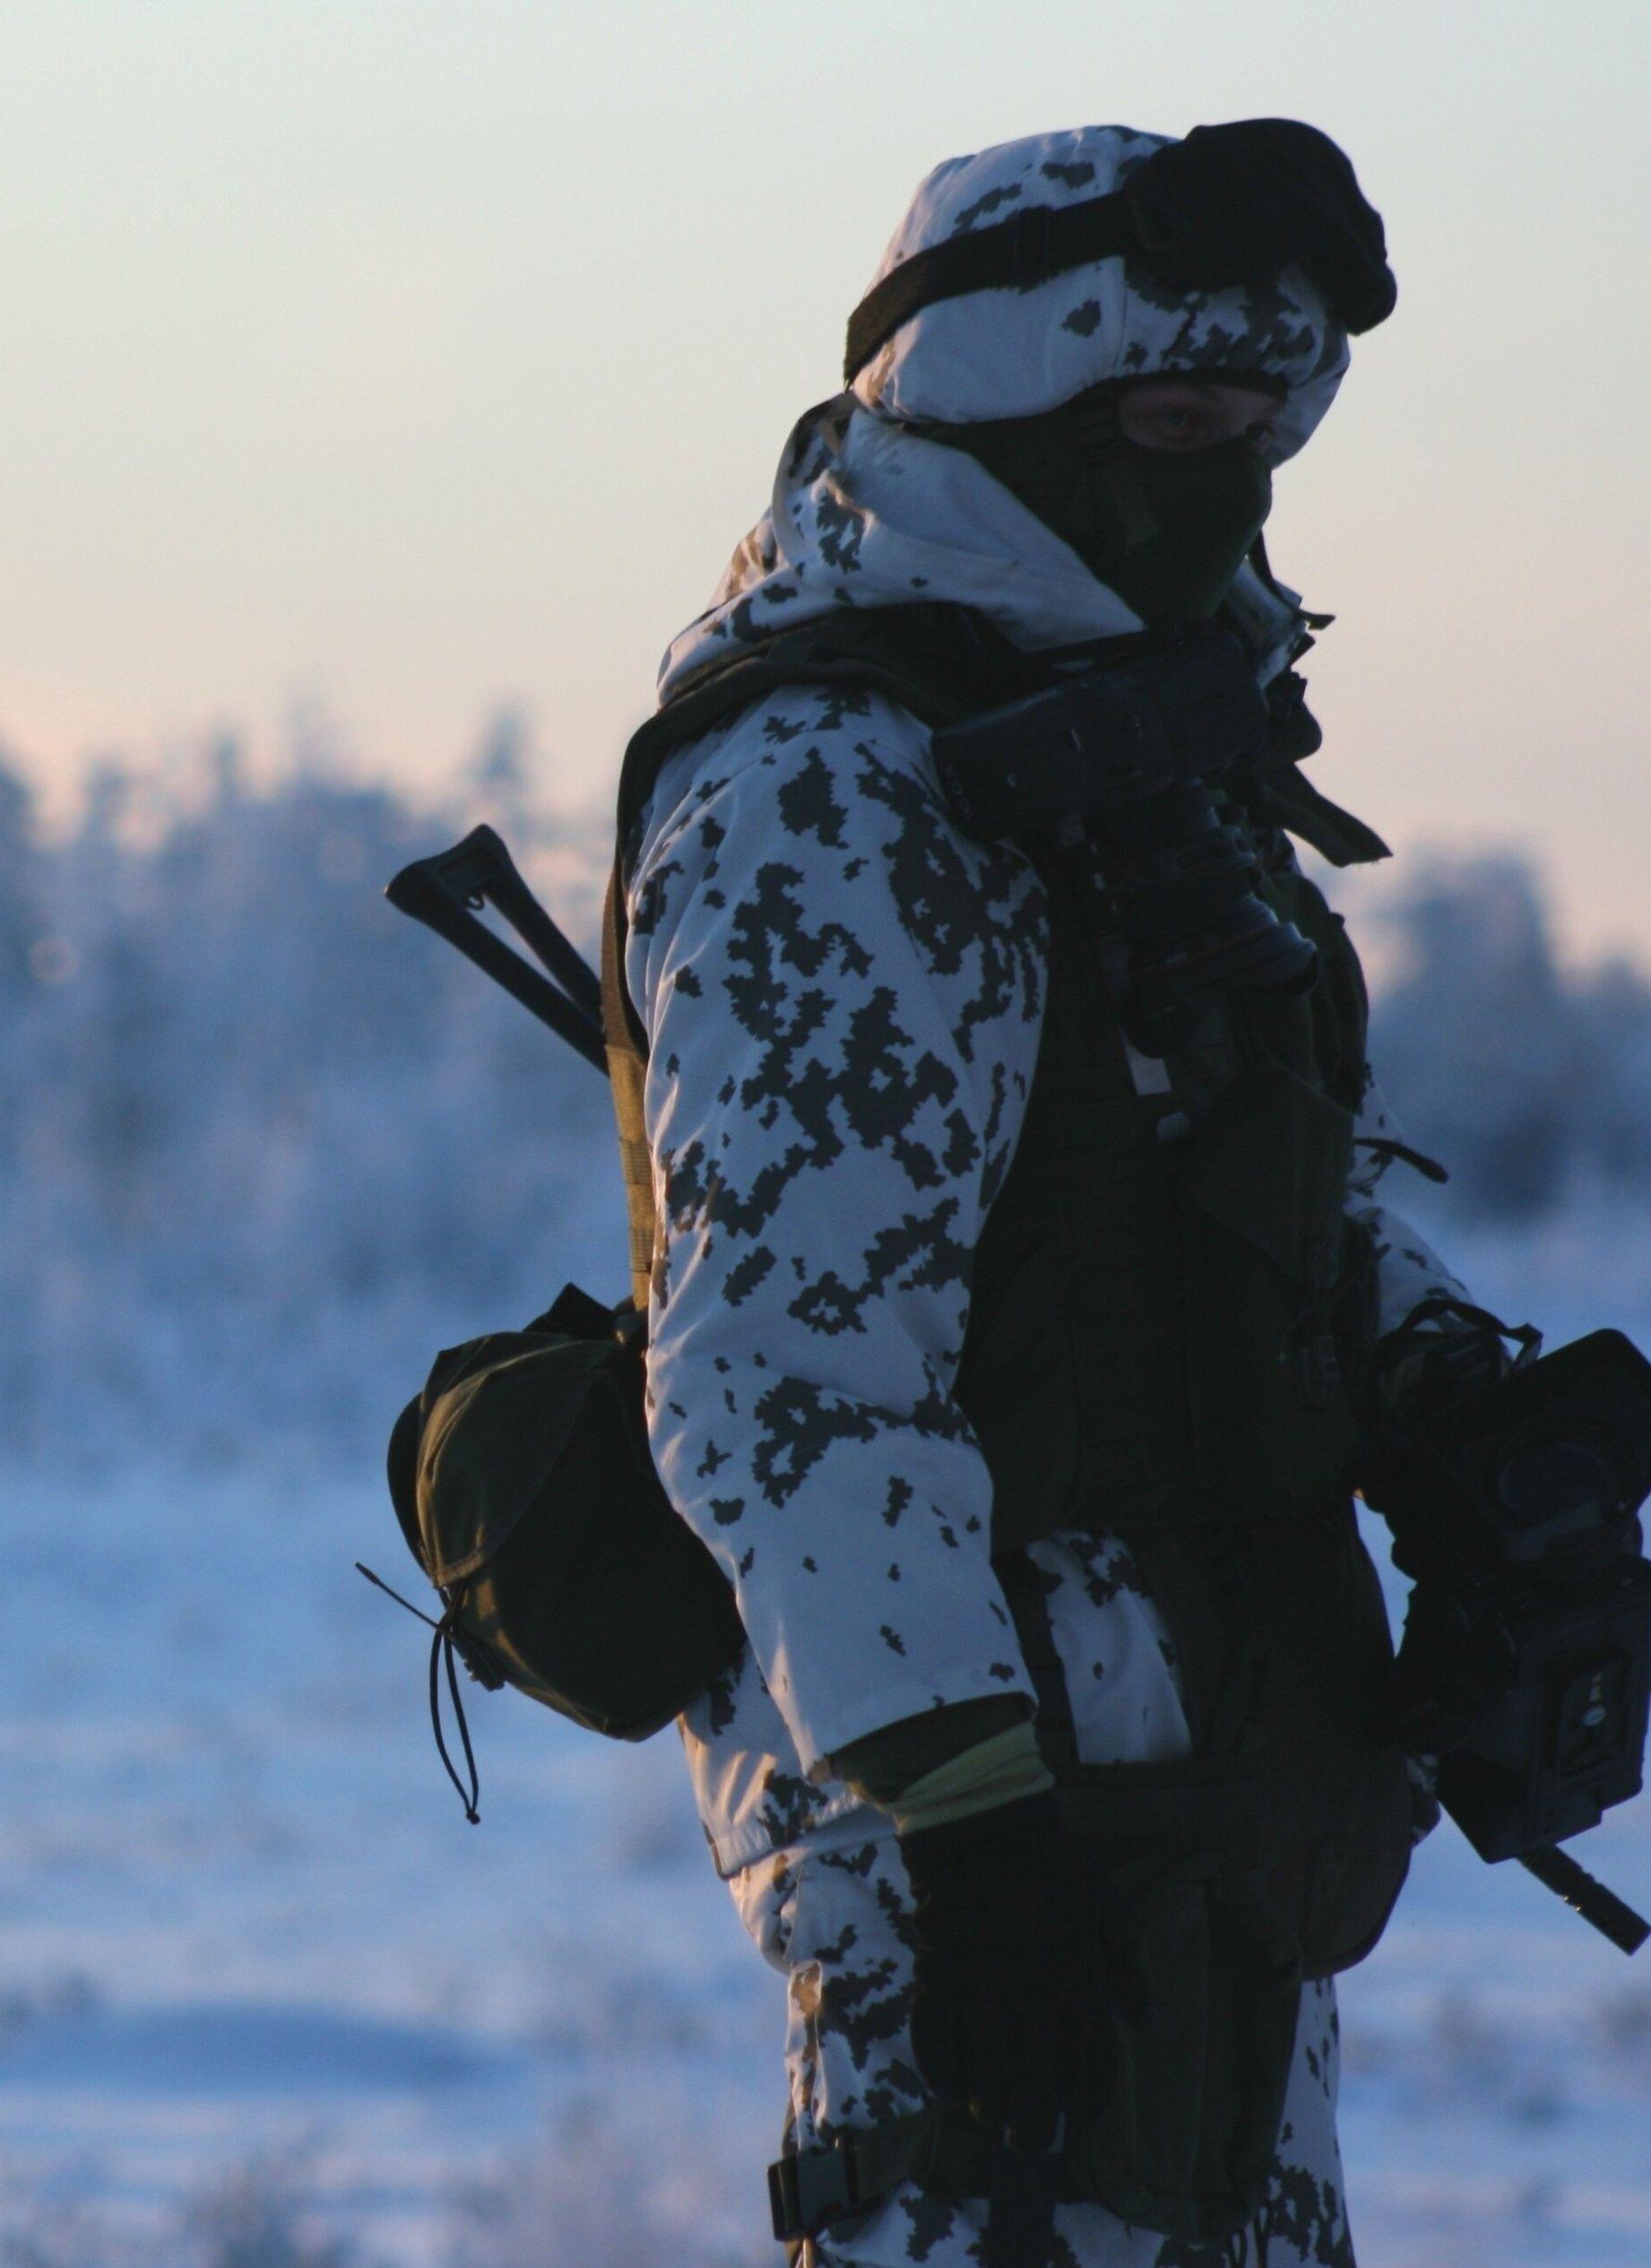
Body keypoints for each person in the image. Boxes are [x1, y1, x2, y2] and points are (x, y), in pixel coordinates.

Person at [610, 121, 1505, 2266]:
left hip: (1224, 1805)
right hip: (986, 1868)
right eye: (1184, 416)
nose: (1233, 476)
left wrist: (1478, 1416)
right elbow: (789, 1370)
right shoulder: (831, 789)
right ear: (1011, 397)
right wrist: (967, 1811)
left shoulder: (1155, 755)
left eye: (1269, 425)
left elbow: (1269, 1170)